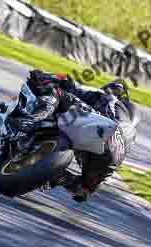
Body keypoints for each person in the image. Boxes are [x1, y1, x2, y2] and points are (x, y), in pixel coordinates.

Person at [24, 70, 137, 202]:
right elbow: (83, 195)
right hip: (109, 159)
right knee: (83, 189)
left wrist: (44, 77)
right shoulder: (128, 137)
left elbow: (71, 86)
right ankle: (53, 177)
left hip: (102, 130)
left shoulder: (110, 99)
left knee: (59, 94)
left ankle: (31, 121)